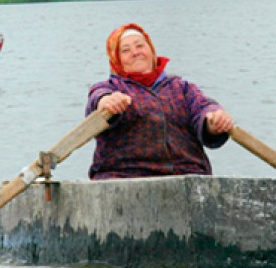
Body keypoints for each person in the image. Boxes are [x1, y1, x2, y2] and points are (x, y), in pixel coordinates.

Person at [85, 23, 234, 180]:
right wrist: (106, 102)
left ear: (151, 50)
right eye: (125, 50)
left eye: (140, 46)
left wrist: (214, 121)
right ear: (117, 60)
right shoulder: (110, 88)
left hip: (186, 175)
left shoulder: (182, 88)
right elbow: (97, 98)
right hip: (125, 176)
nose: (135, 53)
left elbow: (204, 108)